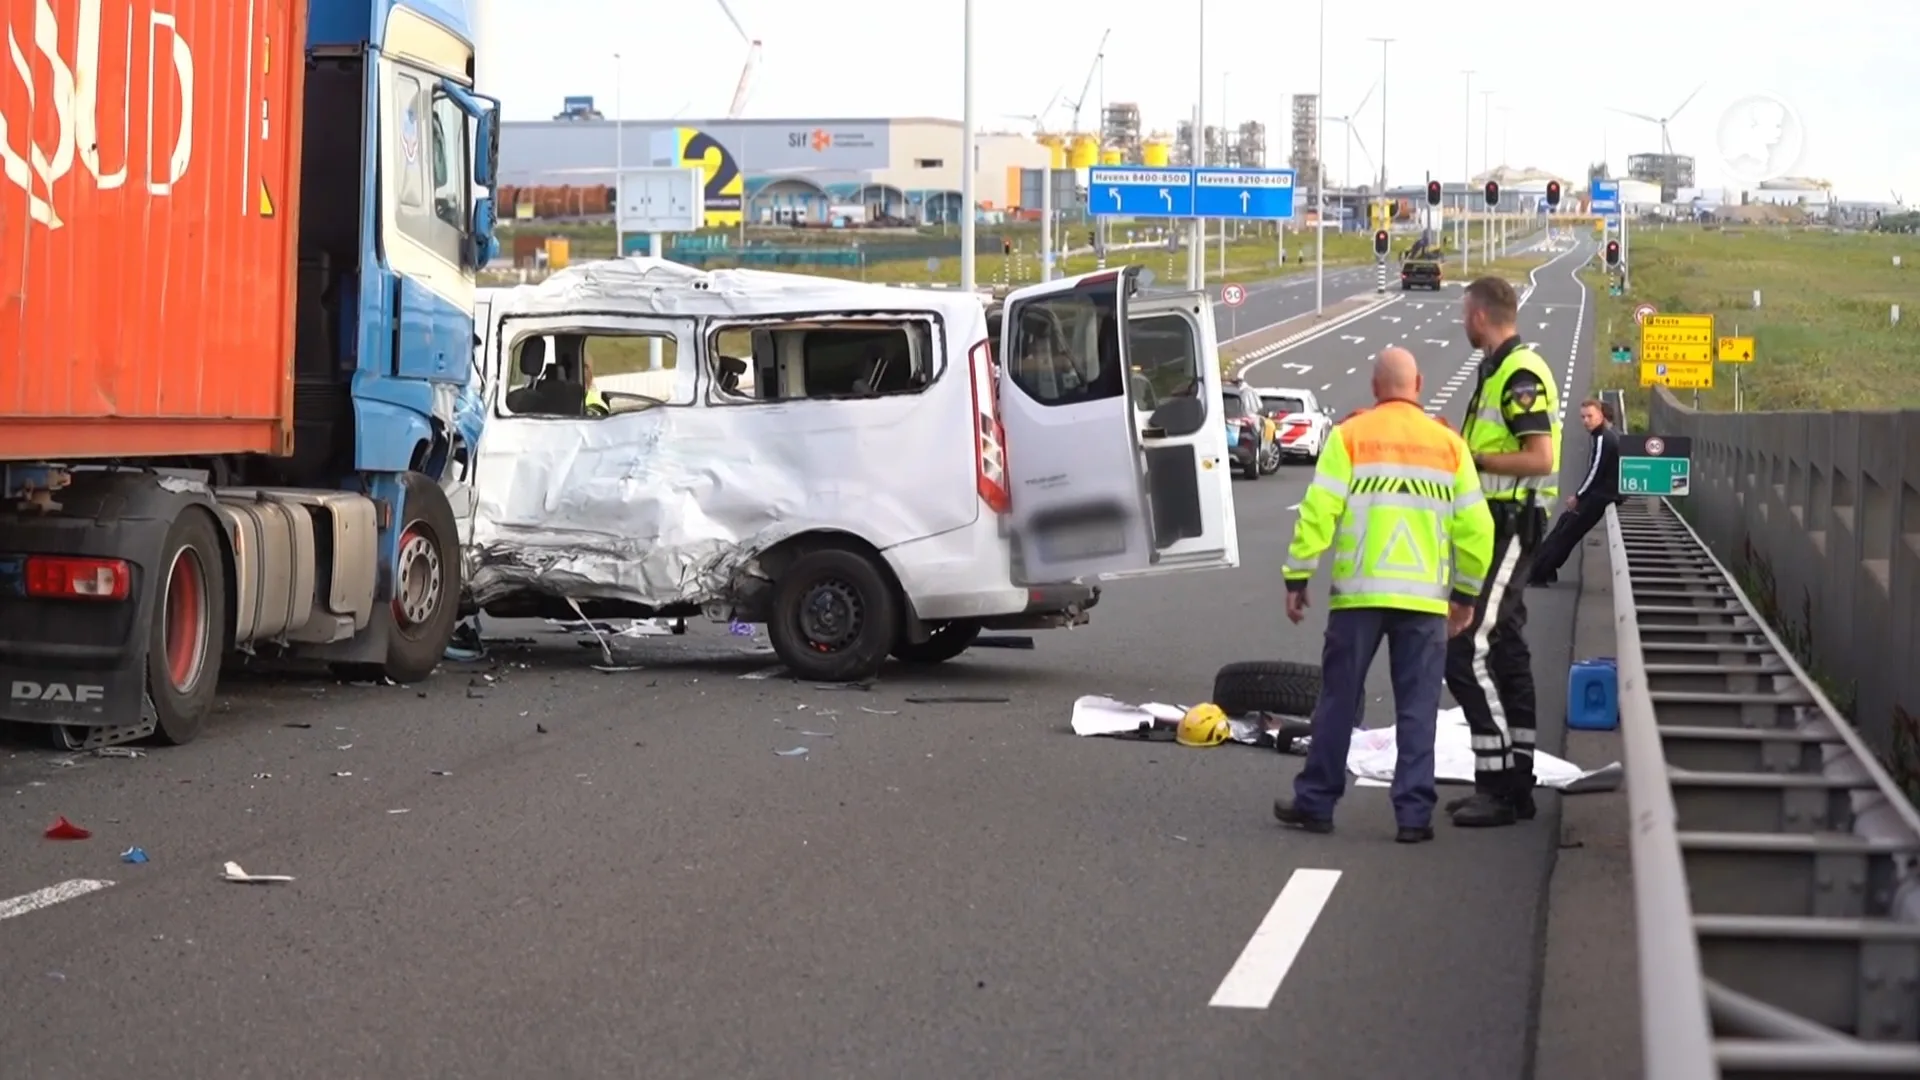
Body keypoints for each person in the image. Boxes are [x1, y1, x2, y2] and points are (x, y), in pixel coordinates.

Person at [1271, 348, 1496, 844]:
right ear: (1417, 382)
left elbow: (1318, 510)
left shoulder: (1349, 437)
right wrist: (1466, 594)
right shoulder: (1449, 446)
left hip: (1359, 598)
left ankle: (1317, 803)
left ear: (1375, 388)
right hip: (1424, 602)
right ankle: (1413, 817)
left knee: (1337, 701)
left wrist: (1297, 575)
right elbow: (1478, 528)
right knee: (1417, 708)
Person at [1443, 277, 1563, 828]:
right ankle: (1517, 781)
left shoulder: (1518, 373)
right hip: (1491, 527)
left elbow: (1539, 458)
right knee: (1506, 651)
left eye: (1466, 313)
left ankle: (1498, 784)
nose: (1463, 322)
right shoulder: (1494, 371)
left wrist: (1473, 460)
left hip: (1511, 527)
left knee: (1467, 647)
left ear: (1482, 316)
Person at [1529, 400, 1622, 586]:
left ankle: (1539, 573)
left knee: (1566, 532)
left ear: (1601, 415)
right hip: (1601, 494)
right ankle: (1544, 569)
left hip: (1600, 495)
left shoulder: (1603, 437)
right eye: (1583, 417)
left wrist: (1578, 496)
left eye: (1590, 416)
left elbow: (1595, 472)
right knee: (1565, 527)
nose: (1586, 421)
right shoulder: (1603, 435)